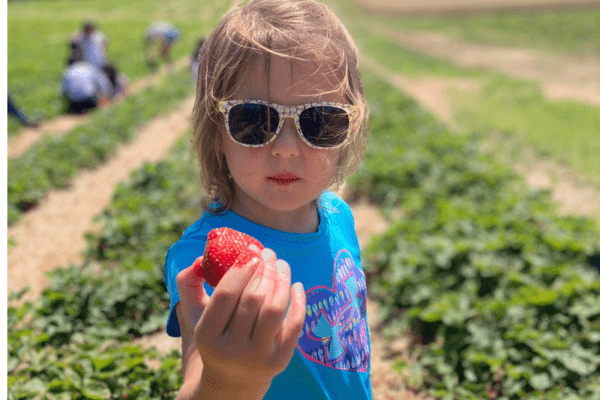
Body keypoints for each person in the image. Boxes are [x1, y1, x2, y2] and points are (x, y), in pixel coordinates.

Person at [163, 0, 372, 399]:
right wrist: (229, 380)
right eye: (254, 119)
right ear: (216, 132)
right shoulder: (200, 257)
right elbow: (195, 383)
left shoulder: (338, 215)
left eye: (321, 121)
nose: (286, 148)